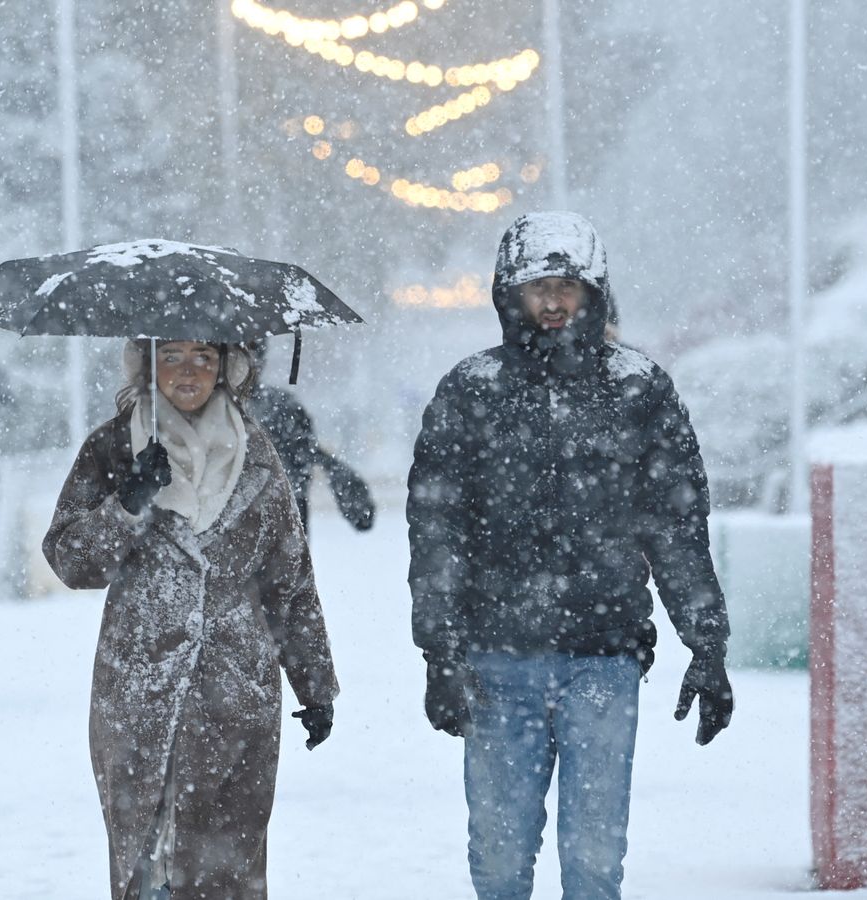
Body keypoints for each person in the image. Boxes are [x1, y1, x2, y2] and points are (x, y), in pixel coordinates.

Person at [407, 211, 734, 900]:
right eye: (537, 288)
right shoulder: (471, 390)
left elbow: (676, 526)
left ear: (594, 293)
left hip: (604, 659)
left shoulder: (639, 388)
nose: (553, 302)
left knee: (593, 863)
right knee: (498, 861)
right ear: (509, 294)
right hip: (496, 660)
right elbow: (437, 530)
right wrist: (439, 652)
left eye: (567, 286)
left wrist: (706, 644)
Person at [43, 338, 339, 900]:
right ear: (147, 364)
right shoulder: (110, 447)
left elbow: (291, 580)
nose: (188, 371)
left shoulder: (259, 454)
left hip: (237, 696)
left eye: (204, 357)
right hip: (138, 692)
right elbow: (70, 561)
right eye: (172, 355)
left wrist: (315, 683)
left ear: (227, 368)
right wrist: (128, 503)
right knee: (146, 869)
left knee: (227, 871)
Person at [243, 339, 376, 533]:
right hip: (281, 534)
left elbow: (308, 452)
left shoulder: (281, 407)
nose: (248, 359)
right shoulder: (280, 406)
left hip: (280, 535)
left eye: (252, 350)